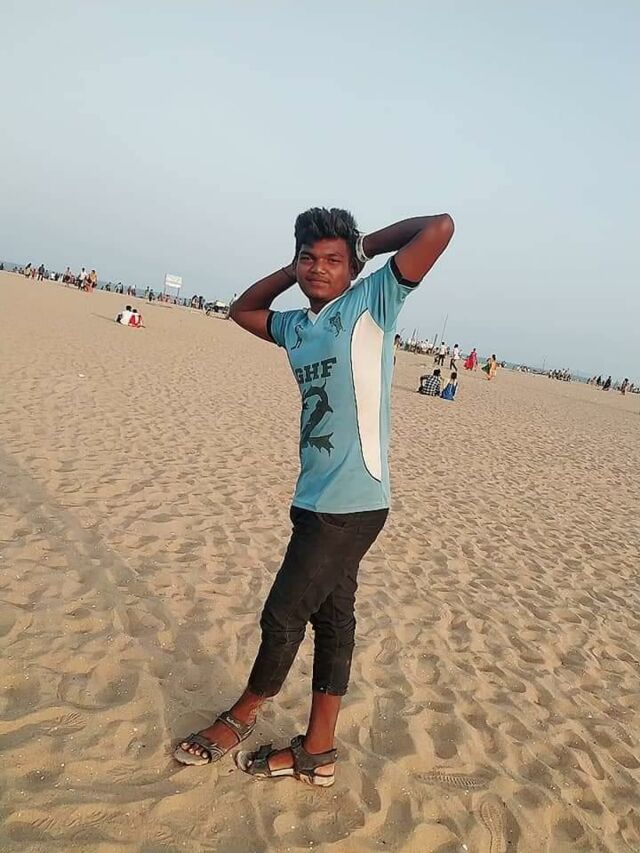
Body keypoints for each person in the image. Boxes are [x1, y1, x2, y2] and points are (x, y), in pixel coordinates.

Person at [173, 206, 454, 783]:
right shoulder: (297, 327)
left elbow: (441, 227)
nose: (319, 268)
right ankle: (318, 751)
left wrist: (362, 248)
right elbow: (242, 310)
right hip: (313, 496)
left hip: (353, 501)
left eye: (332, 260)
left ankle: (241, 716)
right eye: (309, 258)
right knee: (333, 619)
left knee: (282, 615)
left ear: (352, 267)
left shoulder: (372, 302)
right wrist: (292, 268)